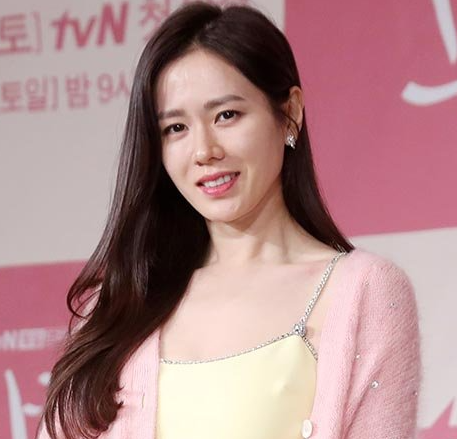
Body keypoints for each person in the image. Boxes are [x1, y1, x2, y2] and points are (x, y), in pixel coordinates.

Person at [36, 2, 422, 439]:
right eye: (176, 128)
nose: (204, 150)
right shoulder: (119, 305)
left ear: (290, 112)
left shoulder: (364, 292)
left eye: (226, 116)